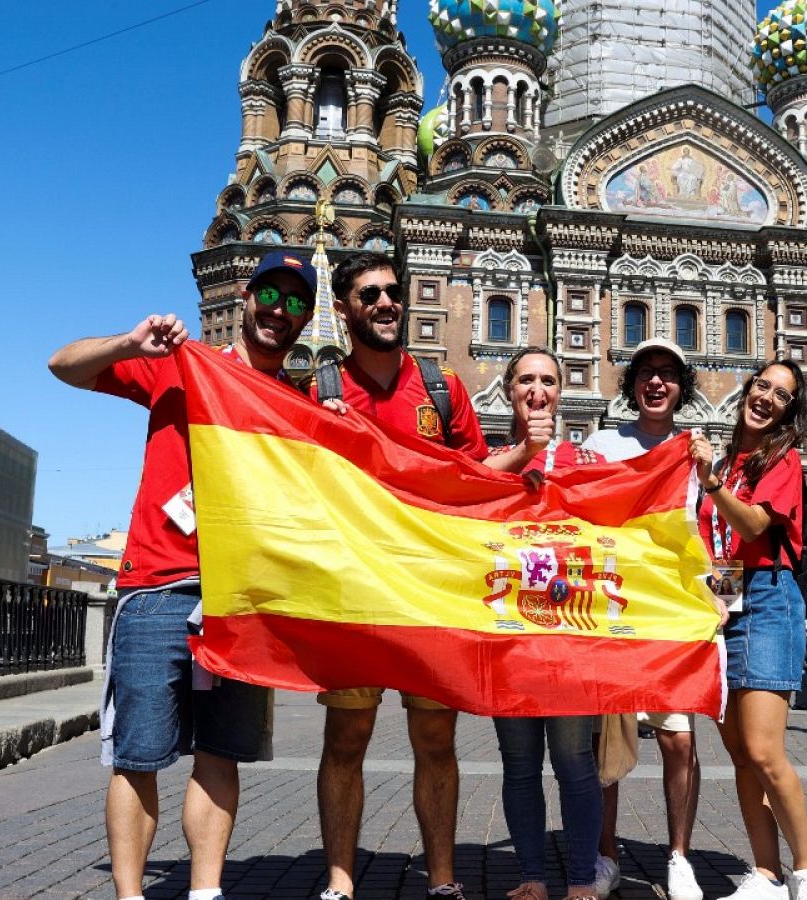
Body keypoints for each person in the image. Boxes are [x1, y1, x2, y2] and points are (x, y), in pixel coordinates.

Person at [48, 249, 318, 900]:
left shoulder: (299, 403)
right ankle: (130, 894)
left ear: (306, 317)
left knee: (220, 753)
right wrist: (129, 340)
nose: (278, 311)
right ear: (246, 300)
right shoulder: (183, 364)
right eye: (269, 296)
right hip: (158, 587)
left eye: (294, 302)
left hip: (242, 601)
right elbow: (63, 365)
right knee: (137, 756)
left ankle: (205, 891)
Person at [311, 251, 491, 900]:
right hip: (354, 591)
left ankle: (442, 880)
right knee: (348, 736)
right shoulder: (323, 391)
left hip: (427, 590)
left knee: (436, 738)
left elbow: (479, 482)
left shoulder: (442, 389)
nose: (386, 303)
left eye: (392, 292)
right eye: (369, 295)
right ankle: (339, 881)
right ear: (343, 309)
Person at [690, 359, 807, 900]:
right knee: (740, 755)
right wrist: (719, 606)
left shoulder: (783, 460)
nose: (767, 396)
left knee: (765, 750)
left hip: (772, 602)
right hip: (731, 602)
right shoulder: (727, 459)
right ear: (748, 390)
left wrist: (712, 484)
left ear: (790, 411)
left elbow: (752, 523)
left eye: (781, 394)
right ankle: (767, 874)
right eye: (762, 385)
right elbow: (723, 547)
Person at [579, 337, 704, 900]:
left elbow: (706, 532)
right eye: (646, 373)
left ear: (682, 387)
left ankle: (678, 856)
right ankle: (605, 855)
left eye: (668, 374)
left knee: (678, 740)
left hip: (671, 612)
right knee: (610, 744)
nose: (657, 382)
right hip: (612, 612)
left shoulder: (694, 450)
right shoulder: (604, 443)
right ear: (632, 385)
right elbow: (573, 506)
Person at [486, 347, 604, 900]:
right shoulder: (495, 460)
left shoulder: (583, 460)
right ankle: (531, 874)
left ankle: (581, 877)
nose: (538, 390)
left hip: (572, 636)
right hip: (509, 633)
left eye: (549, 381)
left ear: (562, 392)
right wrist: (525, 454)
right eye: (526, 380)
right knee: (519, 763)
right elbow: (462, 495)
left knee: (574, 761)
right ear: (509, 390)